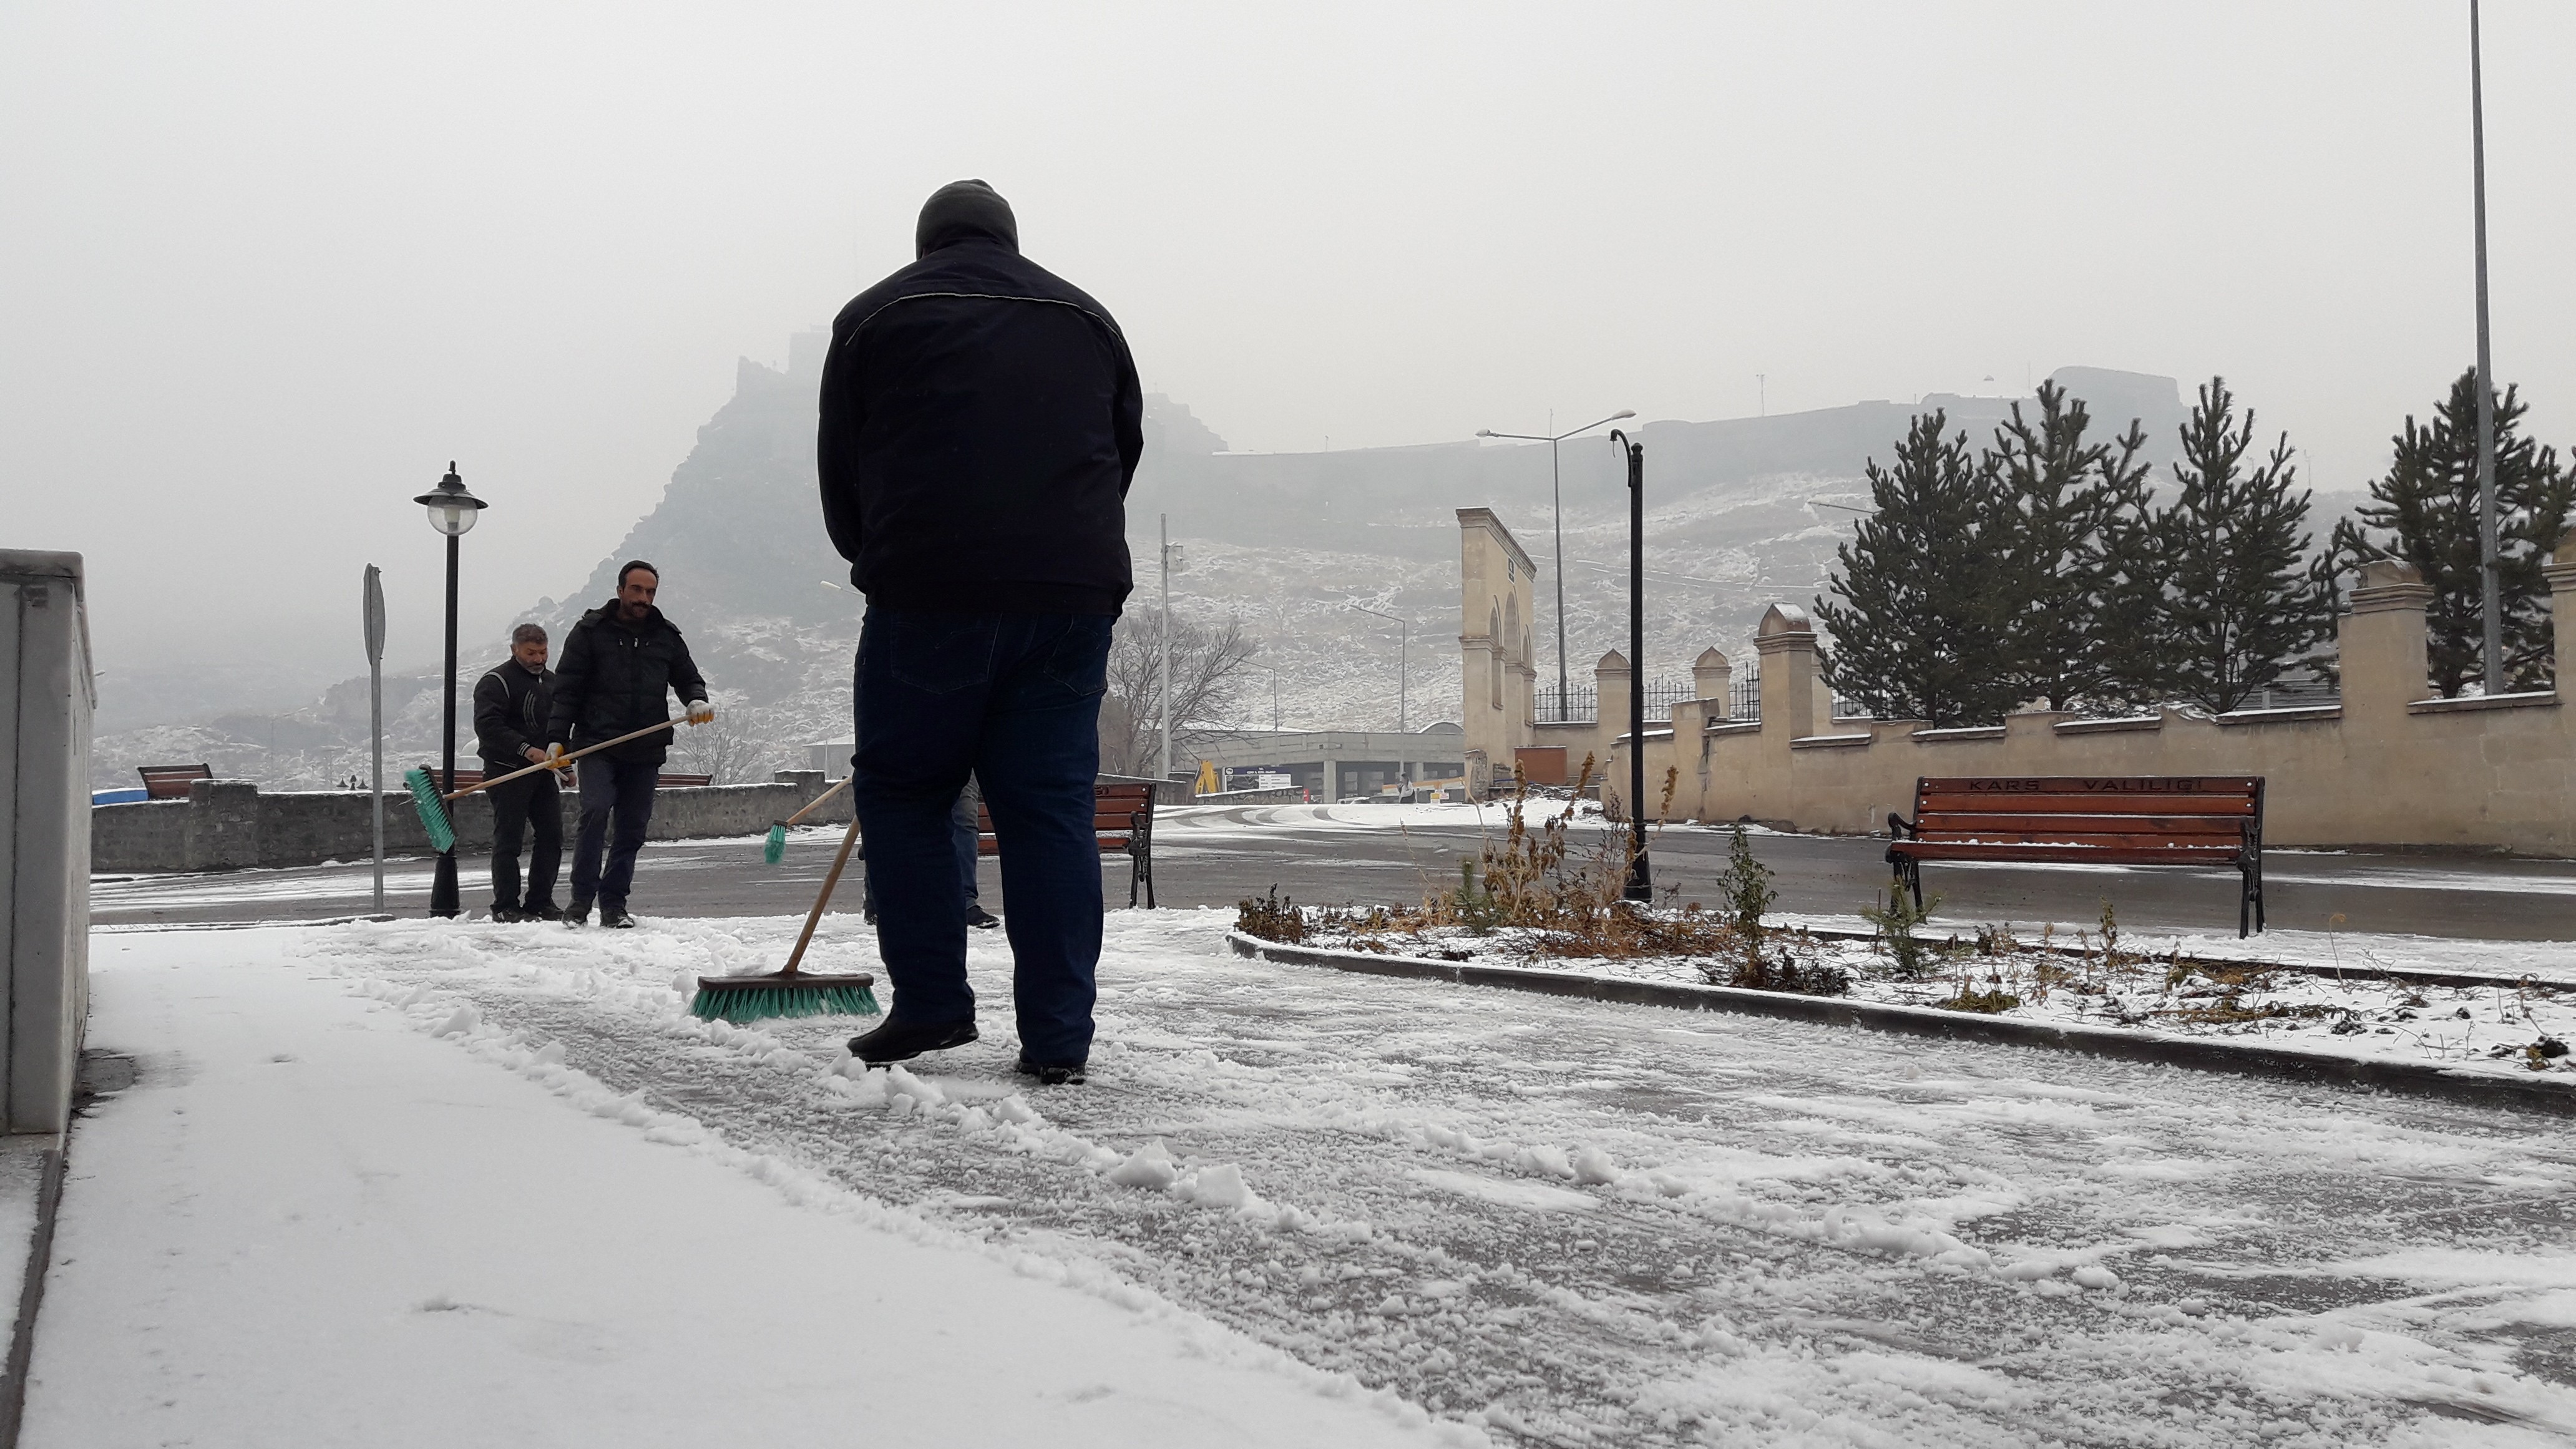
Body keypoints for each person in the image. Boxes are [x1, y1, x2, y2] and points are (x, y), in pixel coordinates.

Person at [819, 178, 1139, 1085]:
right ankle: (1058, 1040)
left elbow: (842, 470)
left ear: (928, 243)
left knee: (908, 791)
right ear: (1009, 238)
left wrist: (883, 557)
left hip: (930, 594)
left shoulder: (876, 315)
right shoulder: (1090, 318)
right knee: (1047, 813)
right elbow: (1121, 453)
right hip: (1071, 597)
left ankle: (931, 1004)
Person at [545, 560, 712, 929]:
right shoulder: (590, 632)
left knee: (632, 827)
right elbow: (567, 690)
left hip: (645, 747)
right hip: (597, 743)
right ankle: (579, 902)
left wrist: (696, 699)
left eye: (650, 592)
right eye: (637, 590)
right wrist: (557, 739)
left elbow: (688, 678)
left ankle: (614, 905)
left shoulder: (666, 636)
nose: (643, 598)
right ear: (620, 590)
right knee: (595, 812)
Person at [474, 623, 565, 922]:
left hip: (543, 774)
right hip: (507, 772)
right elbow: (489, 727)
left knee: (552, 837)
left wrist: (565, 761)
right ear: (514, 650)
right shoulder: (496, 682)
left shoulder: (553, 682)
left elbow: (559, 726)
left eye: (543, 652)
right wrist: (526, 749)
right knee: (509, 840)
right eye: (531, 653)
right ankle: (505, 906)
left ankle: (540, 901)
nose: (539, 659)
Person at [862, 777, 1002, 931]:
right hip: (901, 757)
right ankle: (878, 898)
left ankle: (964, 902)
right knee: (894, 811)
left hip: (962, 755)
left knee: (963, 813)